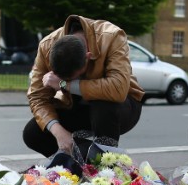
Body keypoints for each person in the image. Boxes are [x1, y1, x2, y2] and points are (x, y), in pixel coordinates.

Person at [23, 15, 145, 158]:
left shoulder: (112, 36)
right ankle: (74, 164)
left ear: (88, 56)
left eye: (74, 77)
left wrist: (63, 84)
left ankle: (106, 165)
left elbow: (118, 89)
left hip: (121, 106)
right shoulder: (46, 46)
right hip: (77, 106)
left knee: (103, 104)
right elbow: (37, 97)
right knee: (32, 133)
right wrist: (59, 133)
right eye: (64, 78)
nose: (70, 81)